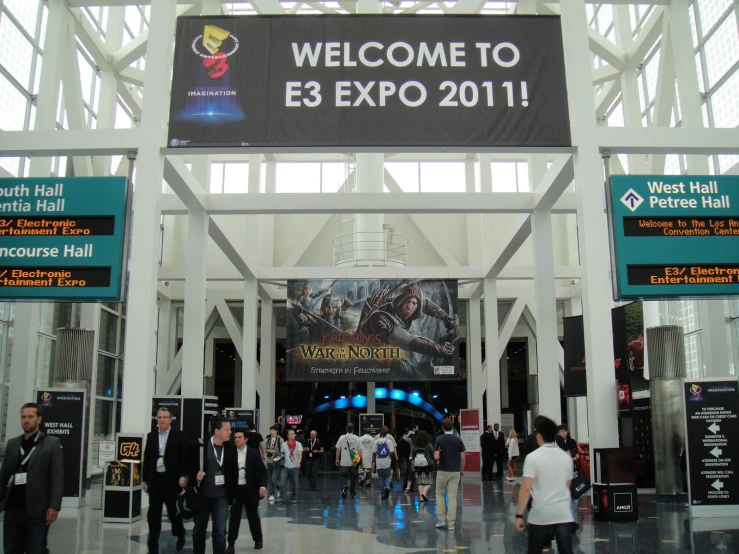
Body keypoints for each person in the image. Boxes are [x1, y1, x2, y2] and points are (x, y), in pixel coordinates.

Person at [0, 402, 63, 554]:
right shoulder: (13, 444)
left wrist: (54, 506)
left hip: (38, 510)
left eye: (30, 417)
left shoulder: (51, 444)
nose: (26, 420)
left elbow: (57, 476)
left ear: (39, 419)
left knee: (36, 549)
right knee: (11, 549)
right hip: (13, 509)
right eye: (23, 417)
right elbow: (4, 475)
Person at [515, 416, 574, 554]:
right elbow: (567, 484)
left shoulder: (533, 457)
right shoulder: (565, 457)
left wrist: (519, 515)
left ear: (539, 435)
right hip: (563, 513)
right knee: (566, 550)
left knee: (534, 550)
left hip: (540, 512)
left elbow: (525, 488)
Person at [142, 407, 189, 553]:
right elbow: (147, 458)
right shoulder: (151, 436)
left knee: (172, 512)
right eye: (159, 417)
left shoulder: (179, 435)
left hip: (171, 480)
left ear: (171, 419)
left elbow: (184, 457)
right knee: (154, 513)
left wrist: (183, 475)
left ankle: (180, 533)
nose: (161, 420)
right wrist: (144, 479)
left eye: (164, 417)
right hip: (156, 480)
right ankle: (153, 545)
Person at [193, 416, 238, 554]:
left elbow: (234, 472)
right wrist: (195, 473)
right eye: (227, 429)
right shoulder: (202, 446)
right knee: (199, 530)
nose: (230, 432)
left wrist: (233, 494)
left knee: (220, 531)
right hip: (202, 496)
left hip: (221, 497)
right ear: (216, 431)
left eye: (230, 429)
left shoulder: (230, 448)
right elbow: (187, 464)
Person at [226, 431, 267, 553]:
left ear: (246, 439)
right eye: (235, 437)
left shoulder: (254, 454)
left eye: (240, 437)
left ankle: (258, 539)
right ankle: (231, 543)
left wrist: (262, 487)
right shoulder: (231, 453)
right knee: (234, 518)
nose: (237, 439)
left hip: (250, 490)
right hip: (236, 490)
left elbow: (263, 472)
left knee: (253, 516)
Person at [434, 419, 465, 531]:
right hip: (455, 471)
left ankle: (441, 520)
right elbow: (462, 457)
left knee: (440, 494)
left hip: (442, 470)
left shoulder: (439, 439)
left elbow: (436, 456)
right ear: (452, 427)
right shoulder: (458, 440)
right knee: (452, 497)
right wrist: (461, 469)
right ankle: (451, 523)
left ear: (442, 428)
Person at [556, 424, 580, 526]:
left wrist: (571, 459)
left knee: (570, 495)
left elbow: (577, 455)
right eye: (561, 431)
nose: (564, 433)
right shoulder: (557, 443)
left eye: (565, 431)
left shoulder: (572, 442)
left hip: (571, 470)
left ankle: (571, 519)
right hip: (560, 471)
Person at [335, 423, 362, 499]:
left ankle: (344, 486)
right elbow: (360, 451)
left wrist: (337, 459)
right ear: (353, 429)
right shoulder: (357, 438)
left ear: (346, 429)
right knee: (353, 477)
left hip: (344, 462)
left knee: (343, 476)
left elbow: (338, 449)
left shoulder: (342, 438)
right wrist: (361, 461)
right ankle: (352, 493)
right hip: (354, 462)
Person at [371, 426, 397, 499]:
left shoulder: (376, 441)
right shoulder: (389, 441)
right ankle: (387, 487)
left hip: (379, 463)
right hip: (387, 462)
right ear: (387, 433)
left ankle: (382, 494)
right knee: (387, 476)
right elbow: (392, 452)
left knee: (381, 478)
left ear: (380, 432)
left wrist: (373, 463)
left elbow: (374, 453)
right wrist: (391, 459)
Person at [279, 429, 302, 503]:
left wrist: (299, 461)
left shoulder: (298, 444)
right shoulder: (284, 444)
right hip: (285, 466)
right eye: (291, 434)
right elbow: (282, 454)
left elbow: (300, 453)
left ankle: (294, 498)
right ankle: (282, 497)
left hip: (294, 466)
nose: (292, 435)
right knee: (282, 483)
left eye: (293, 434)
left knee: (294, 483)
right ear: (288, 435)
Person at [411, 430, 435, 502]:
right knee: (429, 481)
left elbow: (413, 456)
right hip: (428, 465)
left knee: (420, 482)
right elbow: (433, 455)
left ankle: (421, 497)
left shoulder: (415, 446)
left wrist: (413, 465)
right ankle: (424, 493)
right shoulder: (429, 445)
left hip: (418, 466)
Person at [264, 425, 284, 502]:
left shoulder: (280, 440)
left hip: (276, 461)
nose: (271, 431)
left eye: (273, 430)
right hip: (269, 461)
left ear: (276, 431)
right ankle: (274, 492)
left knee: (274, 478)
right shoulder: (267, 440)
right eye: (270, 430)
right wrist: (269, 451)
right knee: (269, 478)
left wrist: (275, 452)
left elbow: (282, 452)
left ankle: (274, 492)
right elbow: (265, 449)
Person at [402, 427, 417, 492]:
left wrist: (409, 433)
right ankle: (418, 487)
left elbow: (404, 438)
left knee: (410, 474)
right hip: (420, 459)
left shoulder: (411, 441)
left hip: (411, 458)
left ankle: (408, 487)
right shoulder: (421, 441)